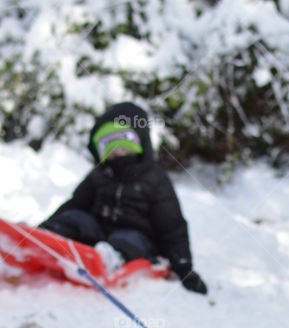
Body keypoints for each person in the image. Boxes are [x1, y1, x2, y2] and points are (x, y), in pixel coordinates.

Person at [40, 101, 207, 294]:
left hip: (138, 239)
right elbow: (74, 204)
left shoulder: (154, 178)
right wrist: (46, 224)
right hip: (99, 233)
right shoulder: (100, 174)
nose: (116, 152)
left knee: (126, 239)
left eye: (123, 143)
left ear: (139, 143)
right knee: (76, 218)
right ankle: (46, 238)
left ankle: (110, 258)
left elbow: (172, 225)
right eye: (108, 146)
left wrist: (184, 268)